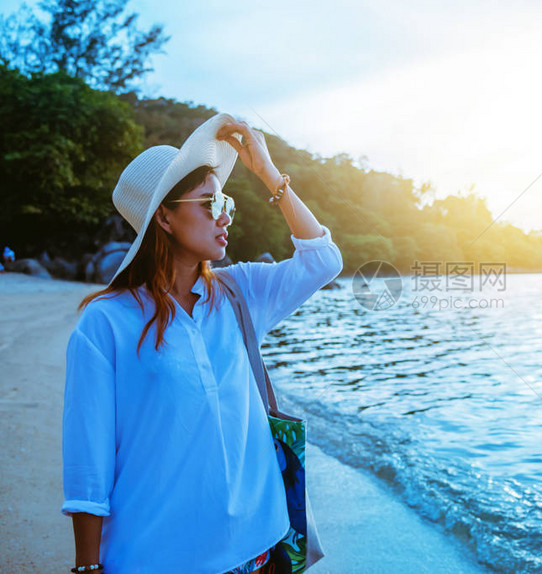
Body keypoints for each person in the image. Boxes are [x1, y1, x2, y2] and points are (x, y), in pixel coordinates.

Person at [61, 113, 343, 573]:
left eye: (225, 199)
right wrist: (87, 566)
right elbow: (87, 463)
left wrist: (270, 174)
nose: (225, 214)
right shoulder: (105, 323)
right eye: (210, 203)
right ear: (164, 217)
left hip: (258, 547)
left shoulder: (239, 293)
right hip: (156, 557)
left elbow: (323, 260)